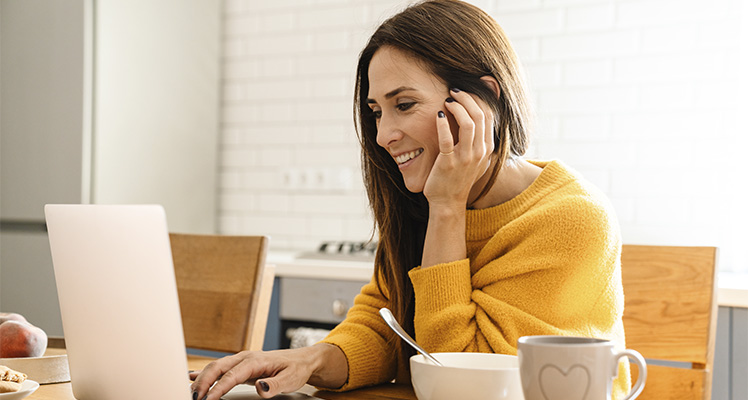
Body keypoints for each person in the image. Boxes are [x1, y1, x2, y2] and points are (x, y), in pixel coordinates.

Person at [191, 1, 630, 399]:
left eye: (404, 104)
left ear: (483, 100)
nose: (382, 136)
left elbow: (458, 378)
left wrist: (446, 209)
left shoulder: (571, 219)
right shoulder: (421, 201)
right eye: (377, 111)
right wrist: (311, 360)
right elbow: (388, 326)